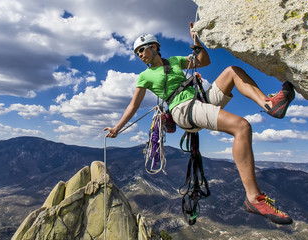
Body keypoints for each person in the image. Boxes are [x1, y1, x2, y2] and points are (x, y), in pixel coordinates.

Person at [103, 23, 295, 225]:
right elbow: (134, 105)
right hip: (183, 109)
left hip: (200, 100)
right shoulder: (145, 76)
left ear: (155, 47)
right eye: (137, 52)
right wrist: (117, 128)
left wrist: (196, 39)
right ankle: (254, 197)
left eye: (143, 48)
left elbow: (203, 60)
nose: (140, 54)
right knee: (242, 126)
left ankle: (269, 104)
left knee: (232, 71)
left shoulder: (175, 61)